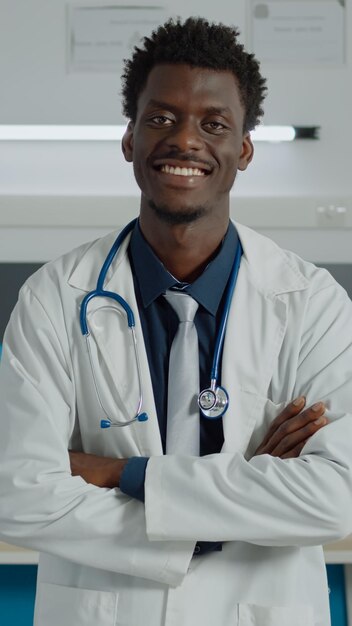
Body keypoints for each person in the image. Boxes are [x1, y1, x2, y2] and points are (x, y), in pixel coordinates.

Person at [0, 16, 352, 626]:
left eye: (213, 124)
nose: (185, 140)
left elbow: (337, 498)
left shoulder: (311, 302)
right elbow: (18, 493)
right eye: (161, 118)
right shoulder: (55, 297)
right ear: (129, 138)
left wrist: (118, 473)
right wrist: (239, 499)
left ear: (243, 150)